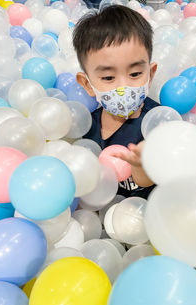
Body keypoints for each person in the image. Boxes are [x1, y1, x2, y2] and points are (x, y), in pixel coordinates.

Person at [72, 5, 158, 199]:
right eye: (108, 78)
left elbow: (150, 181)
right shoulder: (86, 126)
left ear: (150, 74)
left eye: (135, 74)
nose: (123, 87)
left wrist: (140, 166)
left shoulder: (156, 122)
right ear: (87, 83)